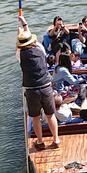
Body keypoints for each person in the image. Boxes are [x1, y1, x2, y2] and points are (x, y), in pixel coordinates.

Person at [16, 15, 59, 150]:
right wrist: (25, 25)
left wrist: (19, 35)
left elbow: (19, 47)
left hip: (32, 90)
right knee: (50, 114)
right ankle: (56, 139)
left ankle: (40, 142)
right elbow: (28, 39)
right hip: (46, 87)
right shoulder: (40, 48)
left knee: (35, 117)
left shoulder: (20, 54)